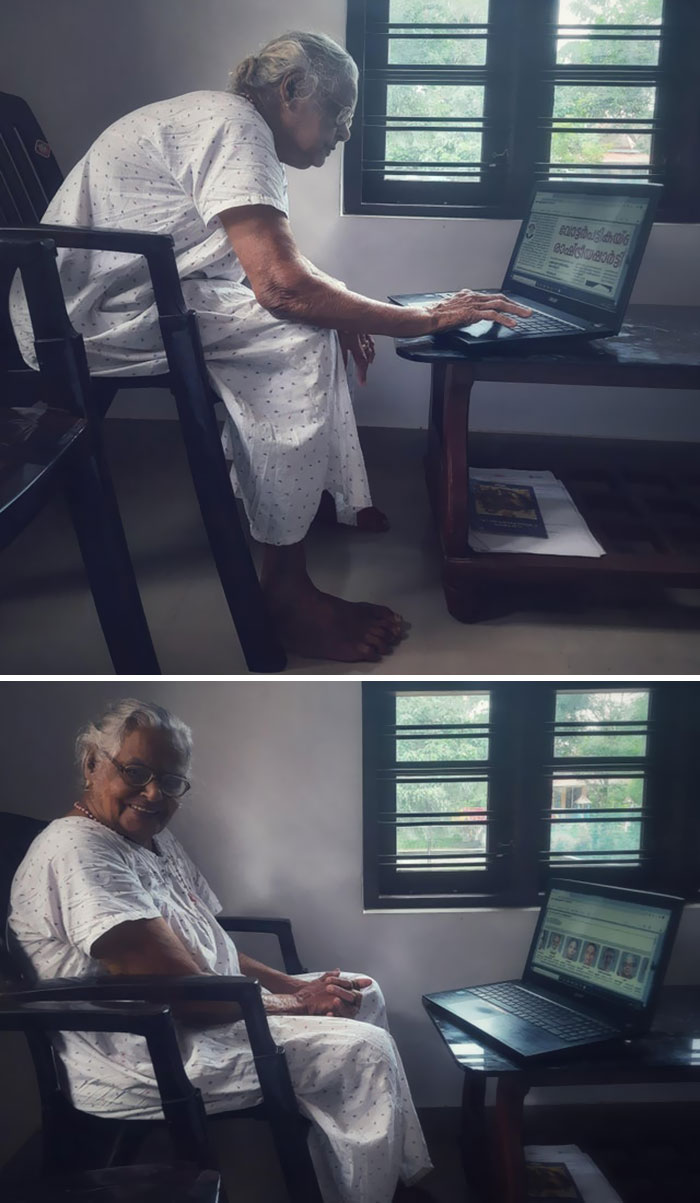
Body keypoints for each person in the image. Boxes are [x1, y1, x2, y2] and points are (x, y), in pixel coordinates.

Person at [9, 30, 530, 665]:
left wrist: (345, 304)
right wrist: (420, 321)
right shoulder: (236, 127)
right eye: (340, 112)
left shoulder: (225, 119)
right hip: (83, 317)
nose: (345, 133)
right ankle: (286, 589)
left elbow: (272, 263)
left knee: (323, 313)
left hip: (100, 294)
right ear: (292, 90)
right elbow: (281, 287)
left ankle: (321, 493)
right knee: (298, 333)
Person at [9, 700, 433, 1203]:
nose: (153, 793)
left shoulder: (150, 840)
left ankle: (368, 1177)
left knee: (363, 991)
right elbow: (184, 994)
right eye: (136, 772)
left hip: (209, 1009)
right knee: (367, 1051)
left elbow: (212, 945)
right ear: (92, 763)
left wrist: (296, 986)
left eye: (170, 782)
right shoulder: (80, 851)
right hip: (151, 1049)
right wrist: (299, 1002)